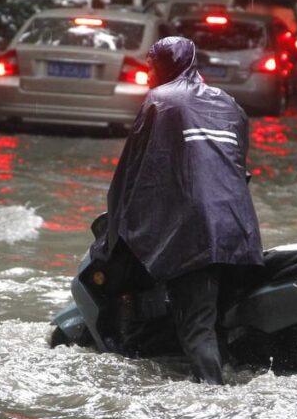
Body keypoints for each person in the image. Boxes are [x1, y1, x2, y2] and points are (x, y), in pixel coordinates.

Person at [91, 36, 264, 385]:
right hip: (239, 230)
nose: (149, 76)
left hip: (195, 233)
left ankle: (212, 399)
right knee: (217, 322)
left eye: (152, 68)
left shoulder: (161, 102)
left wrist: (115, 231)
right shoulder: (229, 103)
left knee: (197, 328)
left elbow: (136, 172)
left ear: (167, 65)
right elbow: (232, 167)